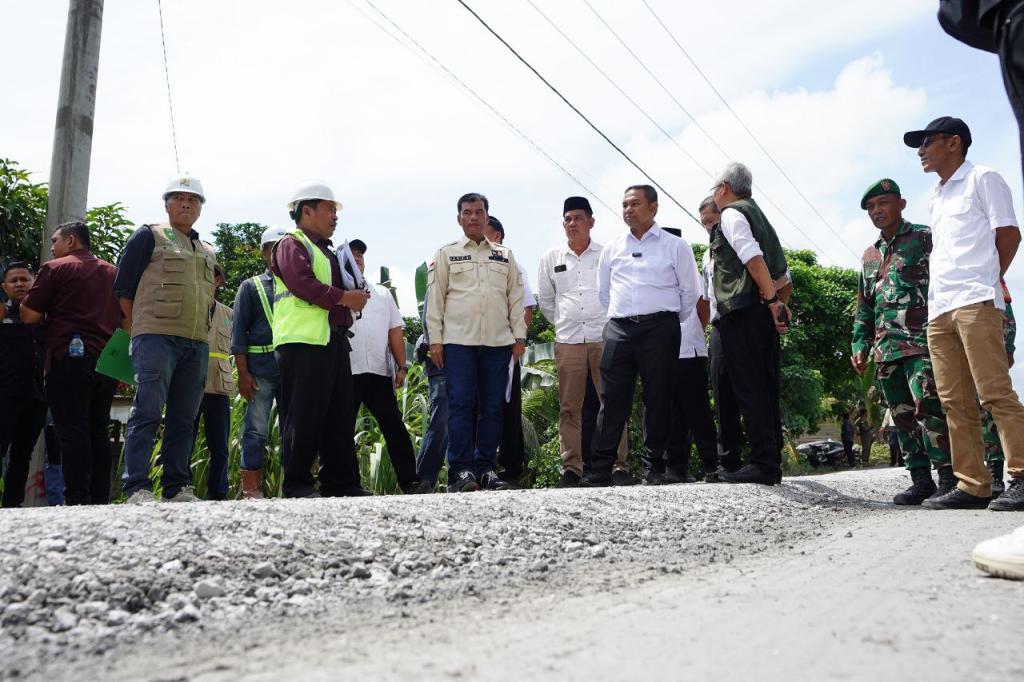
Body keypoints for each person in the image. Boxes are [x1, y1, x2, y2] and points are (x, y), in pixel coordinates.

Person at [903, 117, 1024, 511]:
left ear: (954, 143)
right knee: (954, 400)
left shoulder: (983, 179)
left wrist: (988, 278)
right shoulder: (937, 194)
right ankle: (973, 484)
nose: (921, 151)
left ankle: (1021, 475)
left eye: (927, 142)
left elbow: (1008, 234)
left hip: (976, 301)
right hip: (940, 310)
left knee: (994, 393)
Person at [583, 185, 700, 487]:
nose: (628, 209)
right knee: (611, 399)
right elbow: (604, 293)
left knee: (658, 398)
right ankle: (600, 469)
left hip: (660, 329)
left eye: (635, 203)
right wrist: (625, 318)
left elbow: (690, 293)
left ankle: (654, 469)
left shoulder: (675, 246)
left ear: (653, 207)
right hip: (620, 328)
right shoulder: (612, 248)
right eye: (624, 204)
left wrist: (665, 320)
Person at [114, 176, 218, 503]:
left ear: (200, 208)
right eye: (178, 198)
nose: (186, 204)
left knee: (184, 418)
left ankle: (177, 486)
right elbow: (123, 290)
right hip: (155, 338)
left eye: (193, 199)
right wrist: (139, 330)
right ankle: (137, 487)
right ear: (167, 204)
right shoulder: (149, 236)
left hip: (196, 342)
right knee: (147, 411)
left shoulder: (207, 249)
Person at [850, 178, 954, 504]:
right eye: (871, 208)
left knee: (930, 406)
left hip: (923, 340)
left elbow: (948, 279)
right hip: (885, 348)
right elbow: (865, 305)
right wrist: (859, 344)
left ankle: (950, 477)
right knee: (901, 415)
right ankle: (921, 480)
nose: (877, 211)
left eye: (883, 203)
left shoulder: (924, 238)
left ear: (901, 204)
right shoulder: (869, 255)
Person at [271, 180, 369, 498]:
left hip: (333, 340)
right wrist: (345, 298)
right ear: (306, 210)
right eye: (329, 209)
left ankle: (340, 483)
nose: (334, 216)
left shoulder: (328, 251)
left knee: (339, 414)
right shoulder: (292, 243)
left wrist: (354, 296)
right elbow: (304, 284)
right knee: (304, 414)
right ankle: (297, 483)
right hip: (303, 342)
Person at [425, 192, 526, 492]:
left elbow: (516, 298)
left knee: (493, 407)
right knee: (460, 405)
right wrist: (435, 341)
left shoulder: (504, 255)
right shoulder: (446, 253)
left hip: (497, 343)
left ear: (486, 216)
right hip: (458, 343)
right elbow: (436, 300)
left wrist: (519, 337)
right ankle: (460, 470)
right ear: (459, 219)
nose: (473, 217)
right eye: (467, 212)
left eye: (478, 212)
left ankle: (485, 469)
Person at [21, 222, 122, 505]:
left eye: (55, 241)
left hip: (67, 359)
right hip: (105, 363)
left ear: (71, 240)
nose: (52, 247)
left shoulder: (55, 268)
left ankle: (76, 499)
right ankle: (99, 498)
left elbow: (29, 314)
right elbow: (125, 319)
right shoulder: (113, 272)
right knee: (97, 429)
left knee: (72, 429)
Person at [537, 196, 630, 488]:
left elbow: (617, 293)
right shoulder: (551, 258)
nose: (572, 223)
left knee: (611, 402)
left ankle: (618, 466)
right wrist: (566, 323)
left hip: (604, 337)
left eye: (578, 217)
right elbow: (547, 302)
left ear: (591, 221)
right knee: (569, 406)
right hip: (569, 340)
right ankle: (572, 468)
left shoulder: (607, 254)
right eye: (568, 219)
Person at [709, 163, 792, 485]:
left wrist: (771, 302)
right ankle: (770, 461)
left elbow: (753, 258)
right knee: (764, 385)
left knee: (749, 387)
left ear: (725, 187)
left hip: (743, 311)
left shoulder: (731, 214)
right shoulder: (758, 214)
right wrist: (776, 302)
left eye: (714, 188)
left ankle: (762, 463)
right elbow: (782, 272)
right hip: (760, 310)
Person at [347, 239, 430, 494]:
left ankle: (410, 481)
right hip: (345, 371)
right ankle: (348, 484)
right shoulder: (334, 292)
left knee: (394, 427)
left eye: (360, 254)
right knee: (341, 429)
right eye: (351, 255)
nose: (357, 258)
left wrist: (402, 366)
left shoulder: (382, 294)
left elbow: (395, 330)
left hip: (379, 372)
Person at [232, 226, 289, 499]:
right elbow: (238, 334)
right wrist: (243, 373)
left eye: (282, 247)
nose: (277, 253)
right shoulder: (251, 287)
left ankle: (295, 484)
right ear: (264, 253)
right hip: (260, 371)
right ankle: (251, 489)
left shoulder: (297, 285)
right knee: (255, 430)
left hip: (292, 371)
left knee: (294, 428)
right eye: (272, 248)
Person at [660, 226, 720, 484]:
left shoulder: (689, 270)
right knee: (671, 413)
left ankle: (712, 465)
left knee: (697, 411)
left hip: (690, 349)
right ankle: (676, 468)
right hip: (662, 353)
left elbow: (702, 306)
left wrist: (696, 331)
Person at [484, 216, 534, 486]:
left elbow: (527, 308)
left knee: (508, 406)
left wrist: (518, 340)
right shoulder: (468, 262)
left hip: (505, 347)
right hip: (475, 348)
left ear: (499, 236)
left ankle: (511, 469)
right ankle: (480, 466)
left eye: (487, 233)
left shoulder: (514, 265)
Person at [698, 196, 744, 473]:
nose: (708, 228)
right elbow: (706, 299)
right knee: (722, 393)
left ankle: (764, 456)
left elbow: (783, 279)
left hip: (745, 322)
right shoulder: (706, 255)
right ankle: (728, 461)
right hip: (719, 326)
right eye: (703, 223)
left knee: (750, 391)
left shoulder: (742, 242)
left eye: (712, 222)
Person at [0, 262, 46, 508]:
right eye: (14, 280)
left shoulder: (44, 317)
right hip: (4, 397)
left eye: (24, 279)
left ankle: (11, 509)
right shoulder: (2, 315)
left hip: (35, 398)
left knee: (21, 457)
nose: (19, 284)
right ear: (5, 287)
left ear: (34, 283)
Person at [191, 264, 234, 500]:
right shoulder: (187, 309)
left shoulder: (229, 314)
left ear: (218, 281)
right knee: (184, 440)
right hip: (189, 386)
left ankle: (218, 495)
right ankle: (180, 488)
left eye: (212, 277)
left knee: (220, 446)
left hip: (218, 386)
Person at [980, 278, 1016, 496]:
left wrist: (1008, 347)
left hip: (988, 346)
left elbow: (1007, 314)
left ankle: (995, 472)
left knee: (989, 409)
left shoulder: (989, 274)